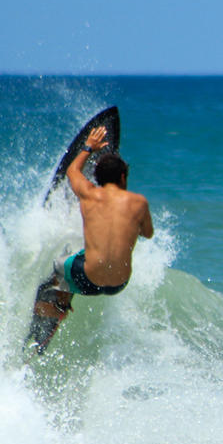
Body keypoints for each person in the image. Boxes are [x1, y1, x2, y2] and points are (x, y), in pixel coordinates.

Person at [32, 125, 153, 322]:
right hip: (119, 284)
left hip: (88, 281)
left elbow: (72, 170)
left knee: (61, 262)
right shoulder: (139, 202)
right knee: (83, 254)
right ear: (123, 177)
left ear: (97, 178)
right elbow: (147, 233)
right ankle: (63, 300)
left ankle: (59, 306)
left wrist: (88, 147)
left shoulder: (88, 194)